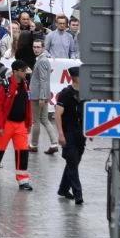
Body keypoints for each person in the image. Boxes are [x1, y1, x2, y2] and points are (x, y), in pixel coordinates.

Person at [0, 60, 34, 191]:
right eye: (23, 71)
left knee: (23, 152)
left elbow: (28, 105)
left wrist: (28, 123)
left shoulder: (25, 84)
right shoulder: (4, 85)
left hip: (20, 124)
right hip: (6, 124)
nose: (25, 73)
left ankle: (23, 180)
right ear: (16, 71)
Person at [54, 66, 85, 204]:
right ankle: (78, 195)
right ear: (74, 77)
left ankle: (63, 189)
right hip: (68, 132)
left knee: (74, 161)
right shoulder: (66, 93)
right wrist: (61, 134)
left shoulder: (86, 93)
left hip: (81, 133)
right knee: (72, 162)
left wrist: (90, 131)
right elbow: (57, 114)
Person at [29, 38, 59, 154]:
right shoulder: (42, 60)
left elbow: (43, 80)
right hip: (41, 94)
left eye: (38, 47)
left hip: (38, 95)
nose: (36, 49)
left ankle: (34, 144)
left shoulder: (42, 60)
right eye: (34, 47)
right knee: (44, 120)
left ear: (43, 48)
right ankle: (54, 143)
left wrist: (42, 96)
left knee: (36, 121)